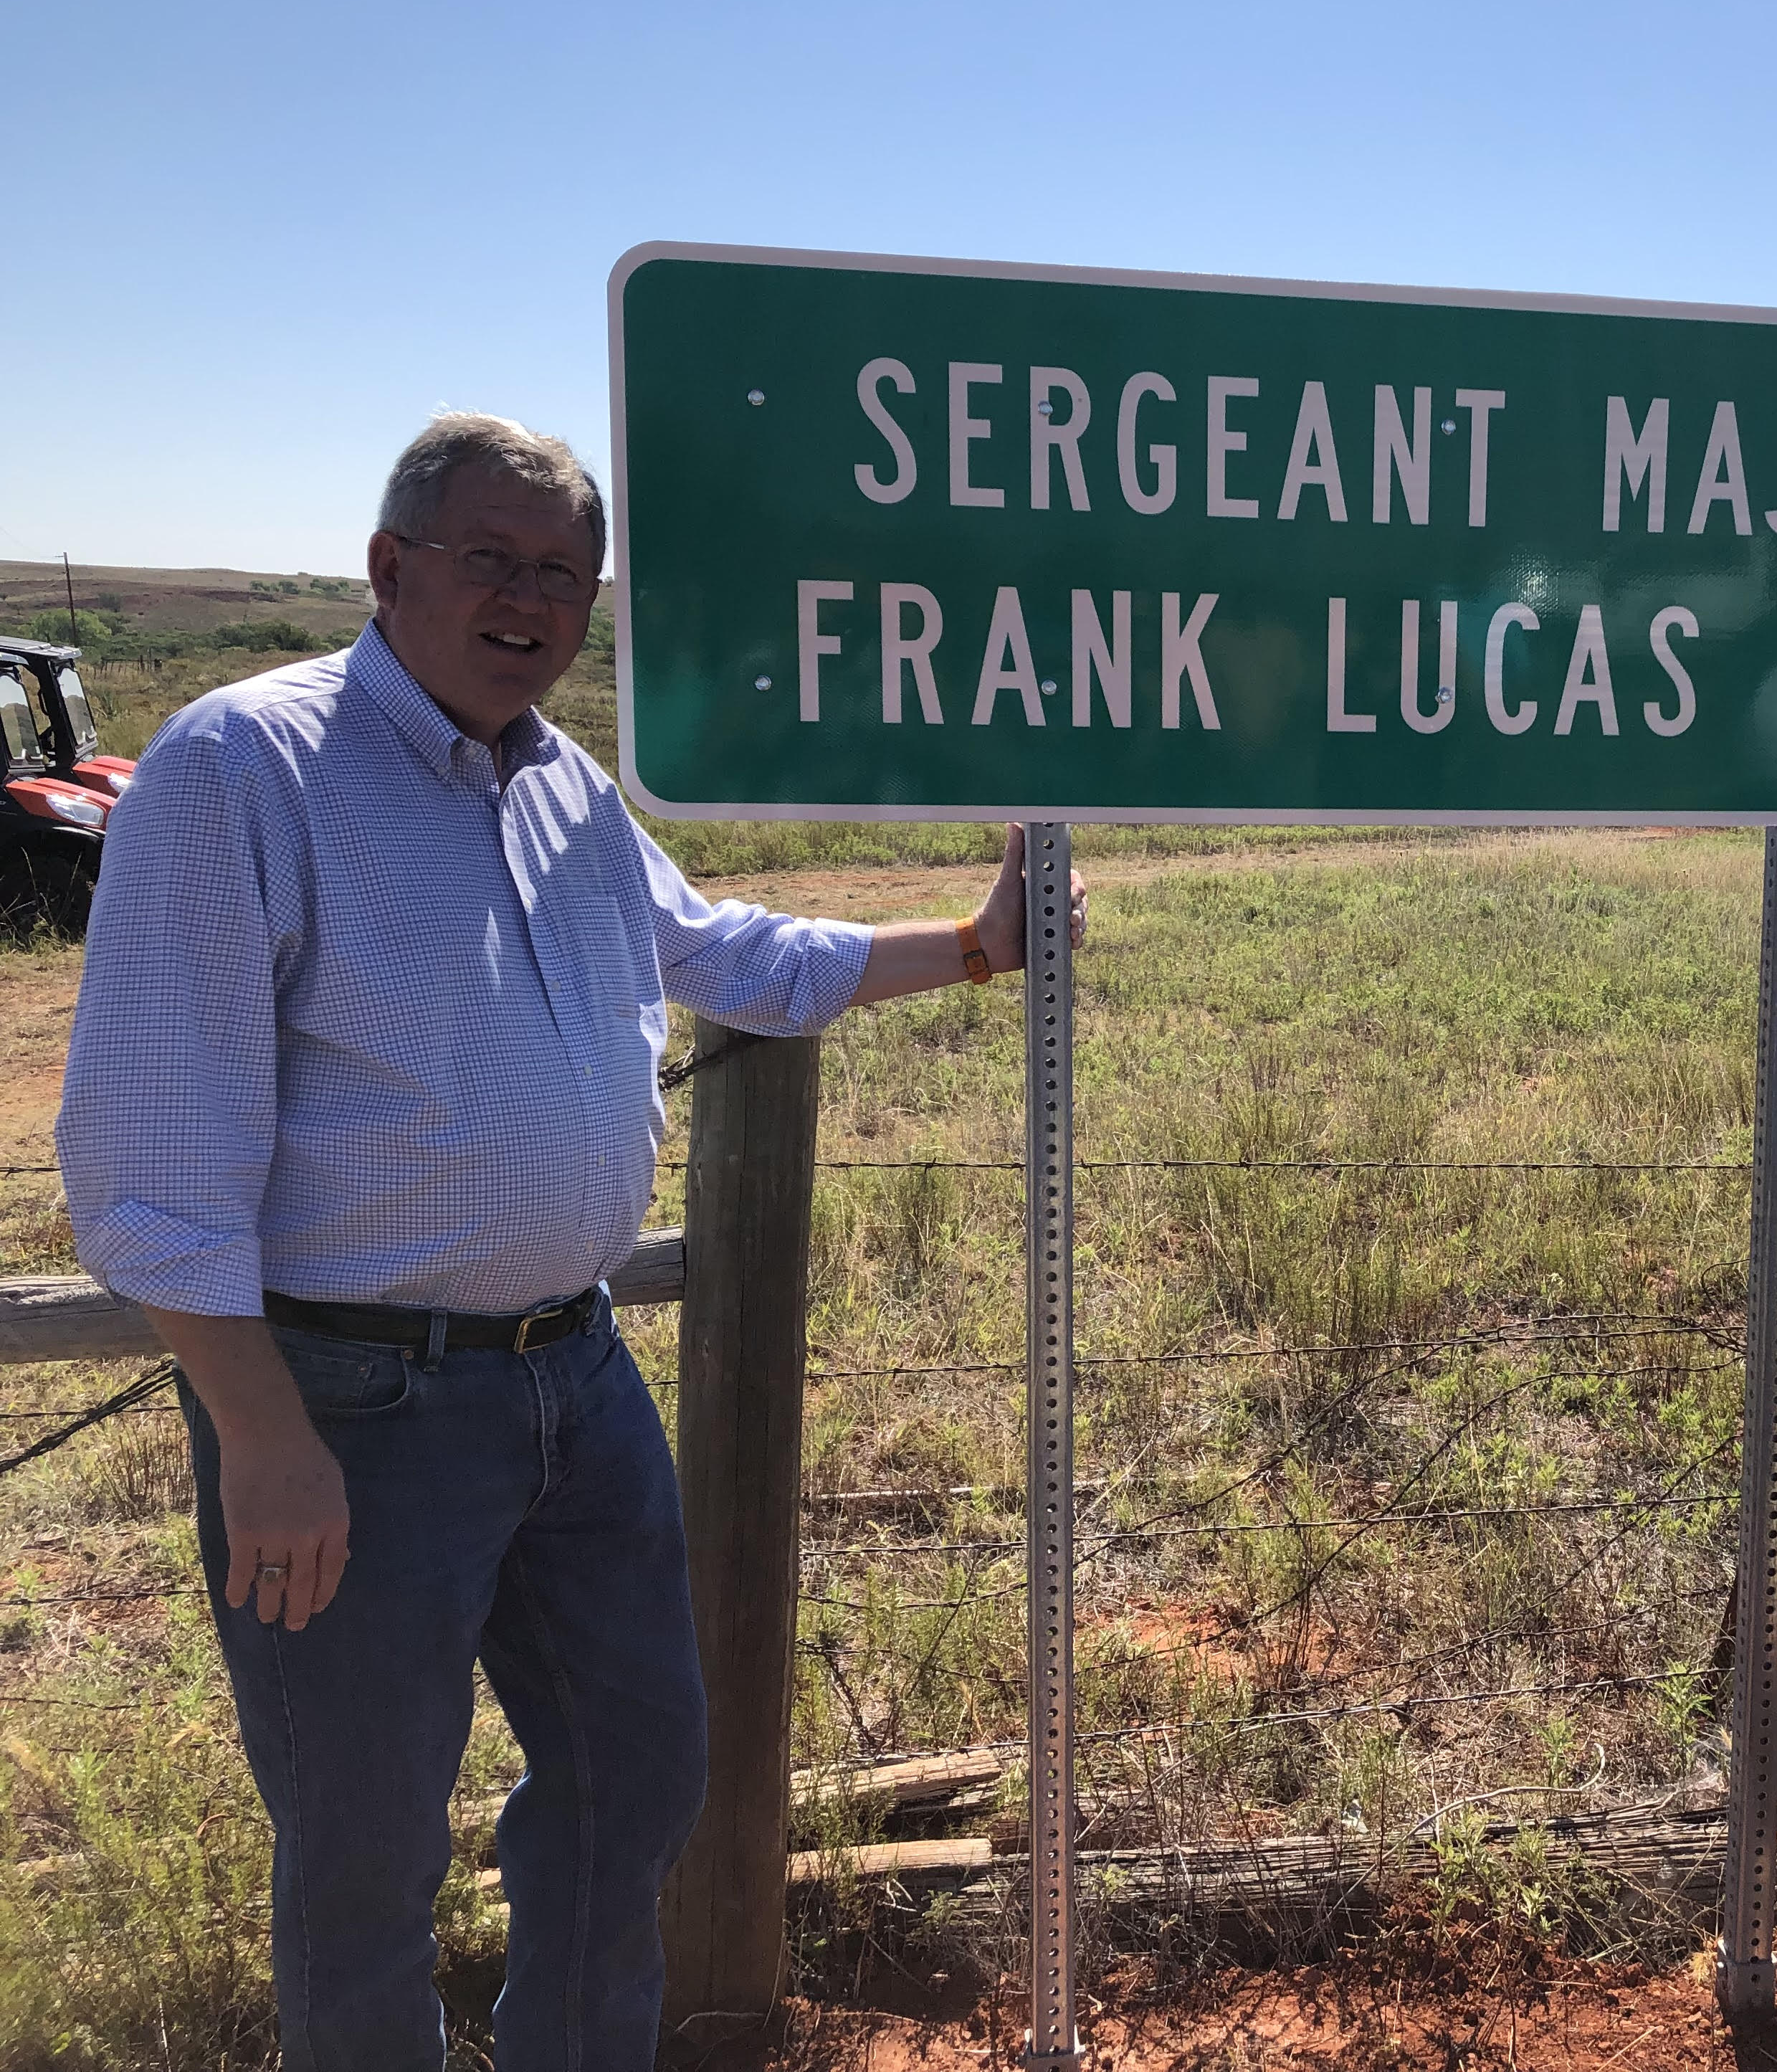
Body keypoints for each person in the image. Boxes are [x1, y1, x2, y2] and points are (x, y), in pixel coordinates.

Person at [54, 414, 1082, 2072]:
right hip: (349, 1410)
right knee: (364, 1855)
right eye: (494, 560)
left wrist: (972, 948)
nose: (532, 600)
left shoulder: (563, 782)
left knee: (637, 1774)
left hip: (575, 1384)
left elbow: (728, 954)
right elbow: (149, 1160)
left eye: (565, 575)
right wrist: (263, 1434)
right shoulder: (241, 766)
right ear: (392, 571)